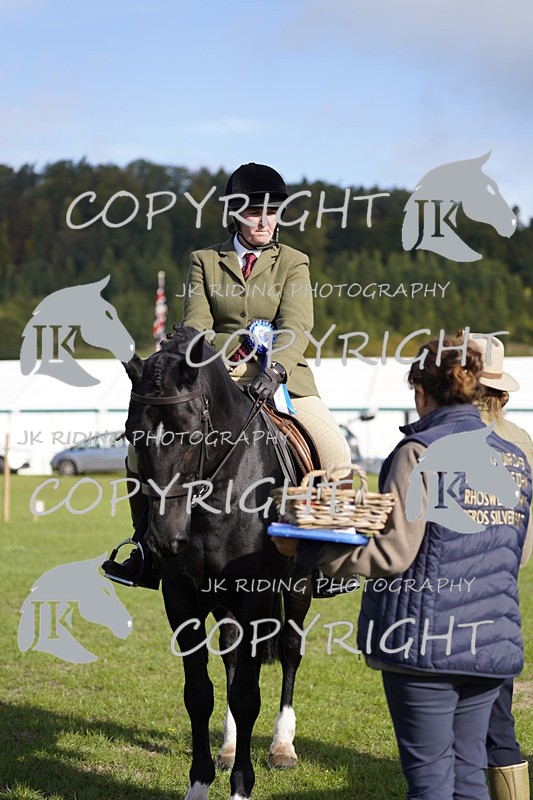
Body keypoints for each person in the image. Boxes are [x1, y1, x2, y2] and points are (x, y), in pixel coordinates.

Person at [273, 336, 532, 800]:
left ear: (420, 392)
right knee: (470, 776)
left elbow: (393, 555)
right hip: (493, 643)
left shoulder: (418, 451)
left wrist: (310, 552)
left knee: (431, 783)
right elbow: (520, 551)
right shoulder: (516, 458)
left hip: (426, 645)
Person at [103, 162, 350, 588]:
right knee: (135, 455)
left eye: (273, 212)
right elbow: (195, 329)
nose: (264, 221)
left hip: (284, 380)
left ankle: (326, 557)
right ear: (235, 213)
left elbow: (296, 326)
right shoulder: (205, 261)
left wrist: (273, 369)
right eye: (255, 212)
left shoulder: (294, 262)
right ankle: (143, 549)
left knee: (336, 453)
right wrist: (230, 352)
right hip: (215, 382)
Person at [466, 333, 532, 800]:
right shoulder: (524, 441)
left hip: (443, 596)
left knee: (442, 724)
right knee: (498, 719)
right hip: (501, 593)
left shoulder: (435, 436)